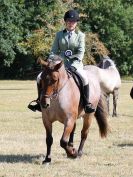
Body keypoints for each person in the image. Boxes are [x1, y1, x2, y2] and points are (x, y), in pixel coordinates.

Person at [28, 9, 95, 113]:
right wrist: (51, 62)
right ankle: (39, 102)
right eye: (69, 21)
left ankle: (86, 103)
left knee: (84, 79)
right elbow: (53, 51)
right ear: (65, 22)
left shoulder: (81, 35)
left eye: (73, 21)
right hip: (59, 65)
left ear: (76, 23)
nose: (71, 23)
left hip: (75, 65)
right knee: (39, 77)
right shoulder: (59, 34)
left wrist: (74, 65)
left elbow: (81, 52)